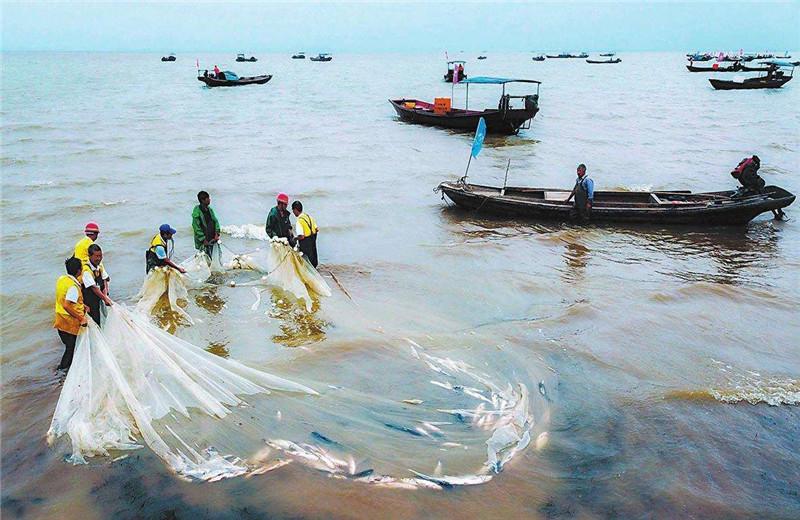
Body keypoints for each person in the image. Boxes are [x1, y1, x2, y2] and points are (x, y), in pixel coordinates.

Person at [54, 257, 88, 370]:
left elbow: (64, 298)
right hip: (69, 323)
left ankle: (64, 371)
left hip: (60, 320)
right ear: (79, 271)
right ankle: (62, 370)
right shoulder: (73, 287)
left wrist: (83, 306)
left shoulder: (62, 279)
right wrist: (81, 318)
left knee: (69, 347)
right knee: (70, 349)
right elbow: (67, 305)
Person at [82, 244, 114, 325]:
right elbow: (94, 288)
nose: (99, 258)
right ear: (90, 256)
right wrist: (105, 299)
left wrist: (105, 294)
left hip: (99, 299)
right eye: (96, 256)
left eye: (100, 256)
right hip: (90, 302)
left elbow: (105, 280)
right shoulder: (86, 270)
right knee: (95, 322)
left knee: (105, 320)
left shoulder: (99, 266)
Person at [192, 190, 221, 258]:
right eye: (208, 198)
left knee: (216, 255)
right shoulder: (197, 212)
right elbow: (196, 227)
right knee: (206, 256)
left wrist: (217, 233)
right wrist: (203, 239)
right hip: (205, 239)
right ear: (202, 200)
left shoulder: (209, 209)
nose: (209, 200)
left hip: (212, 237)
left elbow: (215, 221)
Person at [291, 200, 320, 268]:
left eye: (293, 210)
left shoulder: (299, 221)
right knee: (313, 263)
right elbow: (317, 229)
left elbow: (301, 236)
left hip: (306, 247)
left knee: (306, 264)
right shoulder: (309, 217)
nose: (293, 212)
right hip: (313, 245)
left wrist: (295, 238)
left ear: (295, 210)